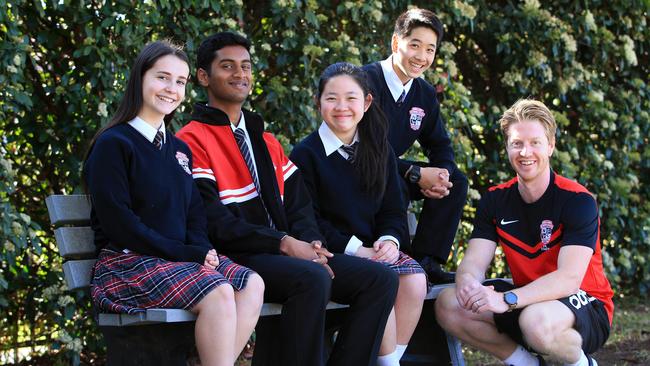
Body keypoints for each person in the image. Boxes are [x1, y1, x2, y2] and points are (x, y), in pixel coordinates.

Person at [176, 32, 398, 366]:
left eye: (245, 66)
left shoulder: (265, 140)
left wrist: (310, 243)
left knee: (379, 278)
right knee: (311, 278)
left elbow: (299, 206)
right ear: (204, 77)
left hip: (286, 253)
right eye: (227, 66)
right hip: (236, 255)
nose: (240, 74)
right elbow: (212, 221)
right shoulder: (192, 139)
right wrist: (283, 242)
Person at [83, 40, 264, 366]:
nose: (172, 89)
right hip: (126, 264)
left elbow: (194, 213)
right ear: (141, 79)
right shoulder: (114, 143)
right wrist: (188, 253)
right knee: (219, 291)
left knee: (251, 285)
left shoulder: (179, 150)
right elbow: (119, 224)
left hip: (174, 263)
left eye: (180, 82)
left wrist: (201, 250)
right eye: (162, 78)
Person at [435, 99, 614, 366]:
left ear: (551, 146)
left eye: (535, 143)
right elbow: (473, 261)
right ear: (507, 147)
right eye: (517, 143)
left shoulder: (577, 200)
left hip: (586, 302)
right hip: (526, 297)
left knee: (535, 321)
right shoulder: (495, 200)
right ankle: (526, 363)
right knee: (449, 303)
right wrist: (469, 285)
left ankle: (583, 364)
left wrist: (506, 299)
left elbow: (568, 279)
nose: (525, 152)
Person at [290, 62, 427, 366]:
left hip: (376, 250)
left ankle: (389, 361)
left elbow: (393, 208)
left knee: (415, 280)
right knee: (384, 283)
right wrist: (358, 250)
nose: (342, 107)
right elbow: (308, 222)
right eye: (332, 98)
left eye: (351, 98)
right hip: (333, 253)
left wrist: (390, 241)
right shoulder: (305, 155)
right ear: (318, 102)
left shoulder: (379, 149)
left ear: (366, 103)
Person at [362, 8, 468, 284]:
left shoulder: (424, 94)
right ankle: (401, 258)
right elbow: (365, 147)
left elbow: (440, 145)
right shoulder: (365, 81)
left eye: (430, 50)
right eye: (415, 45)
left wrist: (440, 175)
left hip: (393, 172)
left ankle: (427, 260)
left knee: (456, 181)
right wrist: (415, 174)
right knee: (395, 180)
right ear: (396, 43)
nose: (421, 57)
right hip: (357, 172)